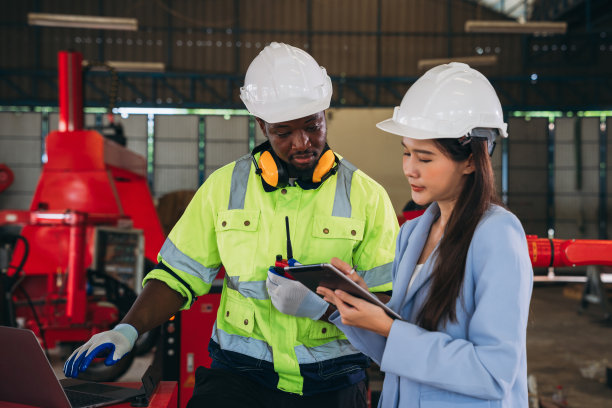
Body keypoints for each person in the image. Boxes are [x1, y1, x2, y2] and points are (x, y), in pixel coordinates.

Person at [63, 42, 399, 408]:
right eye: (283, 132)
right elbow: (178, 273)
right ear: (261, 125)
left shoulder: (367, 196)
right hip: (239, 375)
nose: (302, 143)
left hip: (332, 380)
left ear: (324, 115)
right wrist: (128, 329)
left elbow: (385, 303)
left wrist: (326, 308)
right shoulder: (224, 187)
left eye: (312, 126)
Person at [317, 62, 533, 407]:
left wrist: (390, 328)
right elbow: (398, 353)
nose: (409, 169)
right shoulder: (412, 233)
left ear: (471, 161)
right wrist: (357, 306)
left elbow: (493, 373)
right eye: (406, 152)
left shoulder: (496, 235)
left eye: (425, 157)